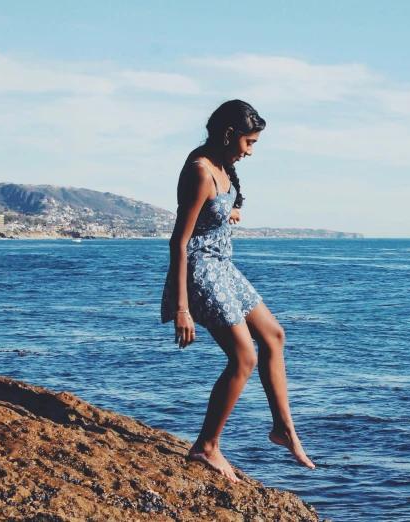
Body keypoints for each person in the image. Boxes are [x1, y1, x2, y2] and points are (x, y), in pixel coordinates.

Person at [161, 100, 315, 482]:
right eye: (249, 142)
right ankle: (206, 446)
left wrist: (228, 210)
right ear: (229, 134)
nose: (250, 151)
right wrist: (182, 307)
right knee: (244, 356)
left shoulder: (222, 165)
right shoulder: (200, 171)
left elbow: (215, 210)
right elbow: (179, 243)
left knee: (274, 336)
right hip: (200, 270)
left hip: (223, 267)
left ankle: (284, 429)